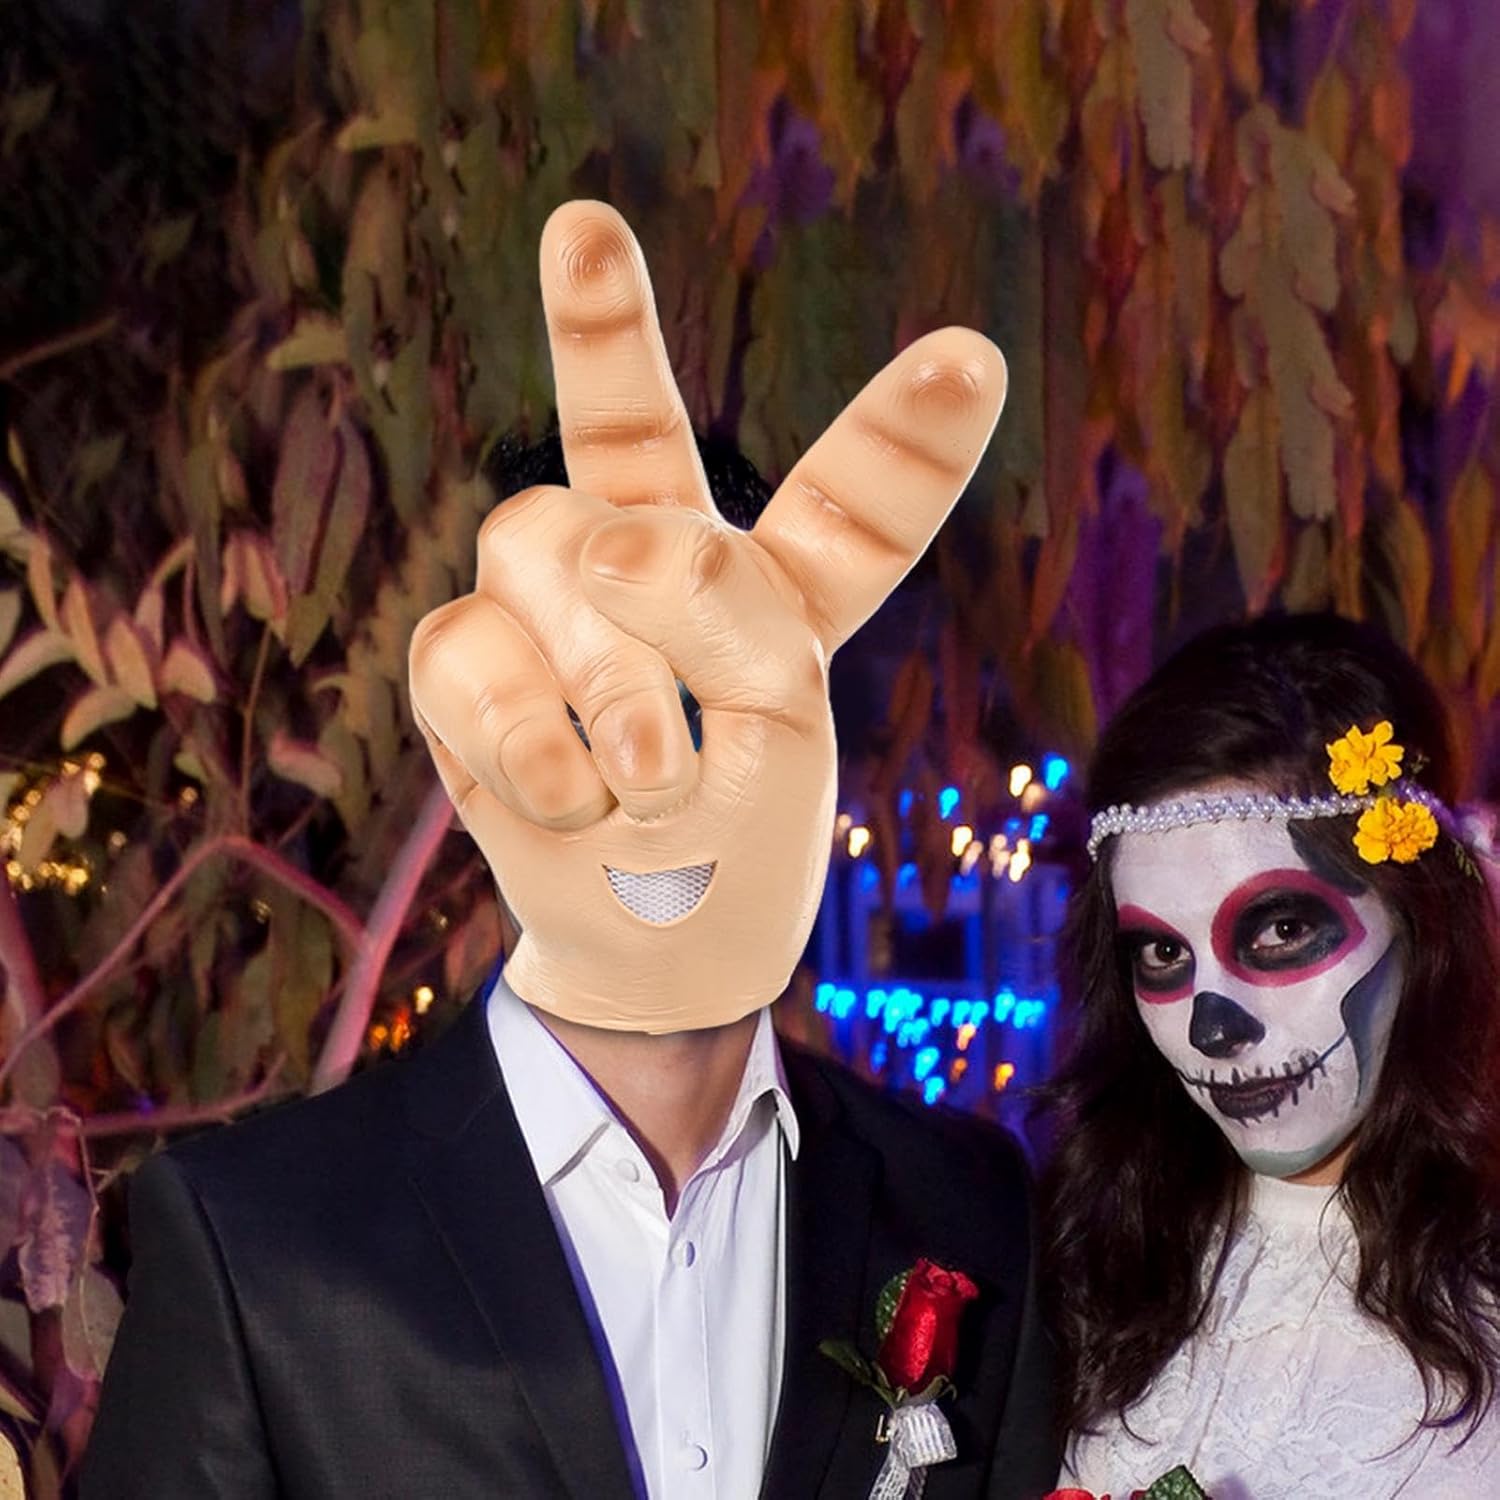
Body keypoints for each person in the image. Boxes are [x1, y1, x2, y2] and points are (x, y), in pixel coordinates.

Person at [81, 201, 1058, 1499]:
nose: (655, 787)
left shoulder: (965, 1206)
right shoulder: (259, 1239)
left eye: (708, 707)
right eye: (586, 713)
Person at [1043, 612, 1500, 1497]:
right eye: (1162, 953)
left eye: (1281, 929)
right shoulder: (1091, 1262)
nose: (1213, 1027)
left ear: (1422, 920)